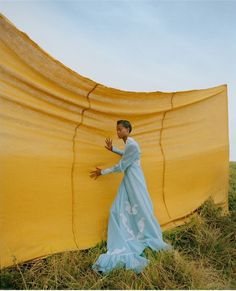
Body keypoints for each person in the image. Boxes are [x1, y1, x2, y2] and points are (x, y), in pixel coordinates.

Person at [89, 120, 172, 274]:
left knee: (139, 207)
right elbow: (126, 155)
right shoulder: (130, 144)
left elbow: (121, 166)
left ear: (127, 129)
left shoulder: (132, 144)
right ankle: (131, 232)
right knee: (118, 209)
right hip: (130, 179)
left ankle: (146, 234)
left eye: (120, 129)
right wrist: (112, 149)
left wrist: (102, 172)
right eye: (117, 130)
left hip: (134, 180)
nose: (118, 132)